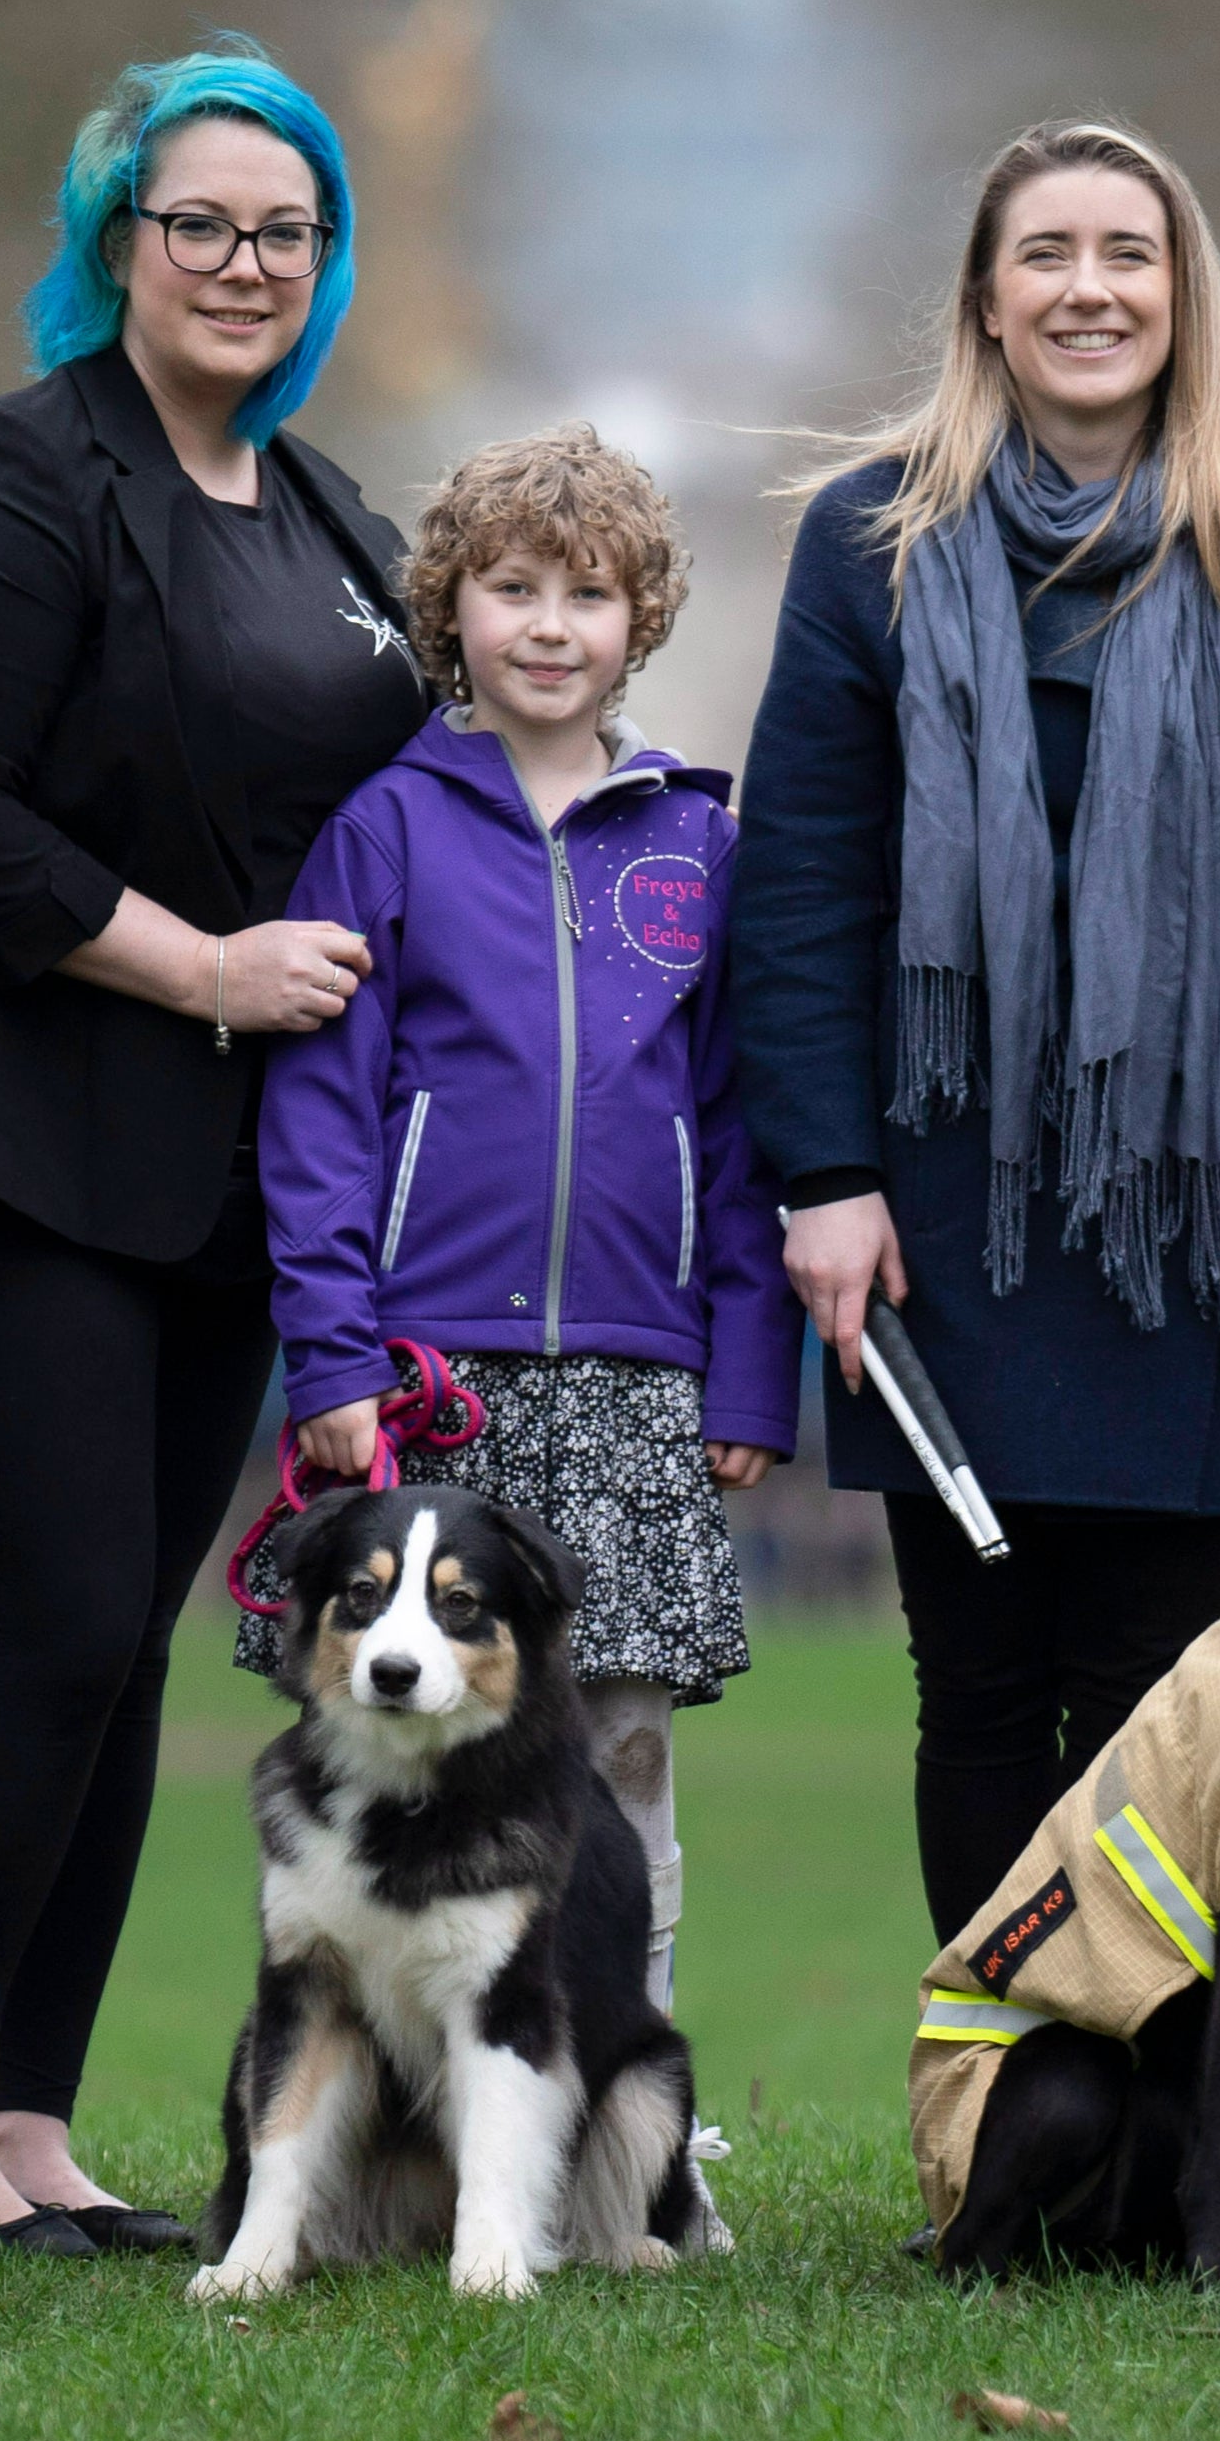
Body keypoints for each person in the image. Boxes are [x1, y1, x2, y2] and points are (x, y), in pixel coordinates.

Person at [0, 39, 430, 2255]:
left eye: (285, 229)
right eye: (197, 220)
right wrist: (198, 966)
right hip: (2, 1156)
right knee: (57, 1624)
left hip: (227, 1188)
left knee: (125, 1647)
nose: (242, 261)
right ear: (114, 243)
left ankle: (30, 2129)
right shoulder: (12, 480)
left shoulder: (332, 511)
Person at [729, 116, 1220, 1945]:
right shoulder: (871, 540)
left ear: (1184, 292)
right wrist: (826, 1176)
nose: (1089, 288)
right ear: (986, 298)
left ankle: (1135, 2117)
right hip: (942, 1207)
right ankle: (994, 2100)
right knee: (976, 1697)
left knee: (1159, 1685)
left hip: (1195, 1210)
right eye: (1048, 254)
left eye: (1129, 252)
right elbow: (802, 888)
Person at [254, 424, 797, 2023]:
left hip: (640, 1378)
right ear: (452, 609)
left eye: (590, 591)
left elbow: (744, 1129)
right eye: (512, 588)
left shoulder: (702, 843)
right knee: (416, 1759)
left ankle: (626, 2080)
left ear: (642, 619)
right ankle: (408, 2089)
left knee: (622, 1747)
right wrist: (331, 1358)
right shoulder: (384, 830)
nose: (550, 622)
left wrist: (750, 1370)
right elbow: (320, 1121)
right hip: (434, 1376)